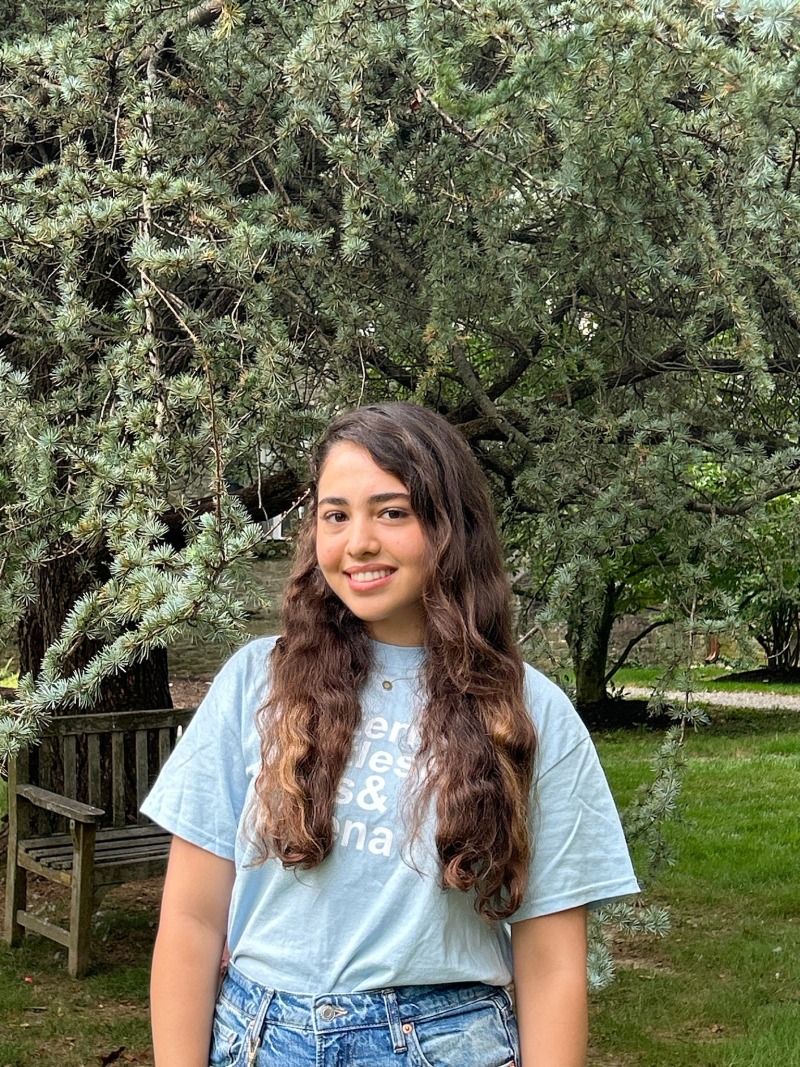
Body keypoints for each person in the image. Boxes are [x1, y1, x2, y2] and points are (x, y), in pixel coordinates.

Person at [142, 402, 639, 1067]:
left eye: (392, 511)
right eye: (336, 514)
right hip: (256, 1038)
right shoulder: (253, 685)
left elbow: (550, 965)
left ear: (450, 527)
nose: (359, 542)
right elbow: (191, 919)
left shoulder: (529, 714)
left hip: (445, 1042)